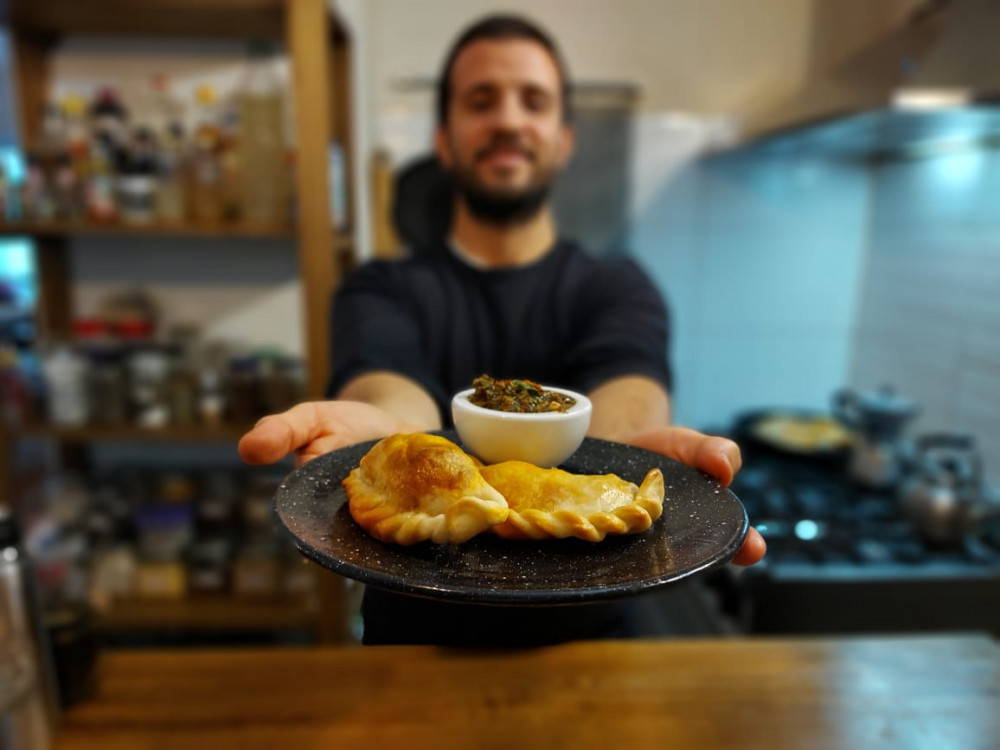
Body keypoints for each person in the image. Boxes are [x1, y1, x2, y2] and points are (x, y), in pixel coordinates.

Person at [239, 13, 766, 646]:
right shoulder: (380, 286)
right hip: (409, 649)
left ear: (563, 138)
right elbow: (389, 386)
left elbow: (629, 391)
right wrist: (388, 441)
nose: (509, 120)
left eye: (533, 101)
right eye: (481, 101)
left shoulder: (618, 286)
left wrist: (625, 460)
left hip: (592, 650)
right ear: (444, 138)